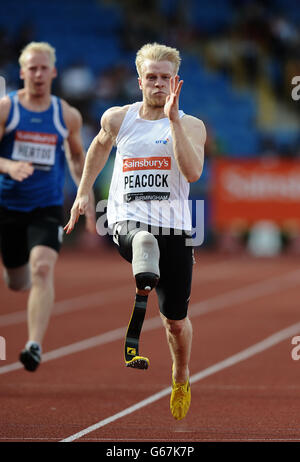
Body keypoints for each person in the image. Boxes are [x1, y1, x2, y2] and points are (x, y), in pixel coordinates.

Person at [64, 43, 206, 421]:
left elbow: (192, 173)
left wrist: (173, 122)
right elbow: (97, 147)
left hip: (174, 228)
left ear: (174, 81)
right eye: (152, 77)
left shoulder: (191, 124)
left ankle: (181, 373)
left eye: (165, 78)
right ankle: (144, 268)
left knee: (175, 322)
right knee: (142, 240)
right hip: (128, 220)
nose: (158, 84)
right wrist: (83, 192)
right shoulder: (118, 118)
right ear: (140, 80)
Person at [0, 42, 95, 372]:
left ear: (53, 72)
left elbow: (78, 159)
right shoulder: (6, 110)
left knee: (42, 266)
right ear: (22, 71)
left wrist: (87, 199)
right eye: (32, 68)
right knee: (16, 281)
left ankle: (33, 345)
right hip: (7, 205)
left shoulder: (65, 115)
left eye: (44, 68)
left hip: (47, 206)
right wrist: (9, 166)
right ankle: (18, 273)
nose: (38, 74)